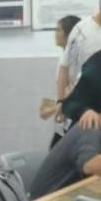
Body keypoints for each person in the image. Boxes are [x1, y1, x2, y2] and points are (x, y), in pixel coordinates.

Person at [43, 14, 82, 143]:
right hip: (63, 121)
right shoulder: (63, 56)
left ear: (69, 34)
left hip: (72, 120)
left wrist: (57, 108)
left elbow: (72, 90)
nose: (55, 34)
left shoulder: (75, 59)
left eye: (58, 30)